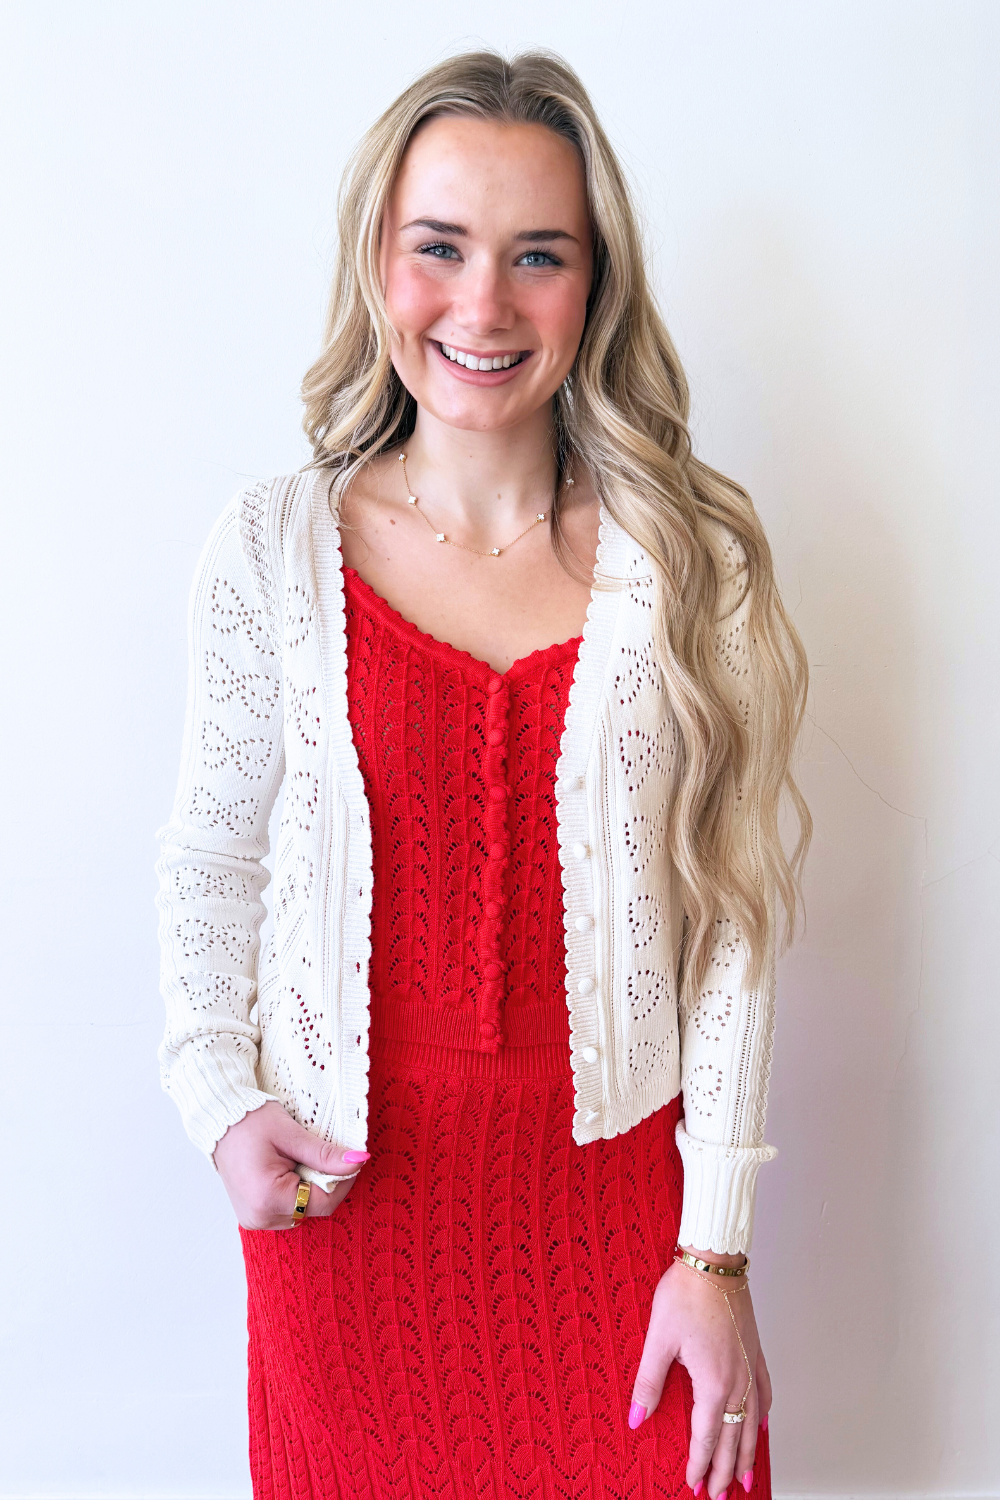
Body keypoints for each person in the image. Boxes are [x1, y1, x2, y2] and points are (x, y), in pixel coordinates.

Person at [156, 48, 810, 1500]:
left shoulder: (694, 562)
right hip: (347, 1231)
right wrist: (220, 1101)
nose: (484, 305)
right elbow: (211, 859)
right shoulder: (270, 550)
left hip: (627, 1239)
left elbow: (736, 927)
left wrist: (714, 1251)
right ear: (377, 262)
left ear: (596, 286)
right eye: (440, 247)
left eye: (539, 256)